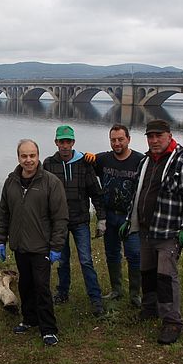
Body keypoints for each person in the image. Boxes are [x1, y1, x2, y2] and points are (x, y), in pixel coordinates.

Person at [121, 120, 183, 345]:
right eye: (150, 136)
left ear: (169, 135)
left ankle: (172, 321)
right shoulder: (146, 161)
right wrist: (130, 220)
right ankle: (150, 308)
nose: (154, 140)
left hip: (169, 232)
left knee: (166, 277)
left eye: (159, 136)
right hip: (146, 230)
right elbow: (137, 193)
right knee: (147, 272)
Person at [0, 139, 68, 346]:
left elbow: (60, 218)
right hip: (20, 245)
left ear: (38, 156)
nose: (28, 160)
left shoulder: (51, 182)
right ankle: (29, 319)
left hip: (41, 247)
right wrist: (1, 240)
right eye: (24, 156)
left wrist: (56, 247)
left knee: (41, 287)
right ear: (18, 157)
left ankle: (48, 329)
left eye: (32, 156)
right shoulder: (11, 181)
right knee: (25, 285)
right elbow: (4, 212)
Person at [42, 125, 105, 315]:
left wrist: (101, 218)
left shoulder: (84, 163)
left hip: (80, 221)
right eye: (61, 142)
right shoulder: (48, 164)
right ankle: (62, 292)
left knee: (86, 260)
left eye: (68, 141)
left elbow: (96, 192)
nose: (65, 146)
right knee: (62, 261)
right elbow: (43, 195)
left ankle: (95, 298)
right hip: (58, 222)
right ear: (56, 143)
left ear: (73, 143)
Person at [86, 123, 145, 306]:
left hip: (130, 217)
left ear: (128, 139)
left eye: (120, 139)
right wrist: (87, 158)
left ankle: (135, 294)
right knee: (112, 253)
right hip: (109, 215)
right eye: (113, 140)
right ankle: (116, 290)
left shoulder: (140, 161)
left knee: (134, 254)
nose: (117, 143)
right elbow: (84, 166)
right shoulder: (103, 159)